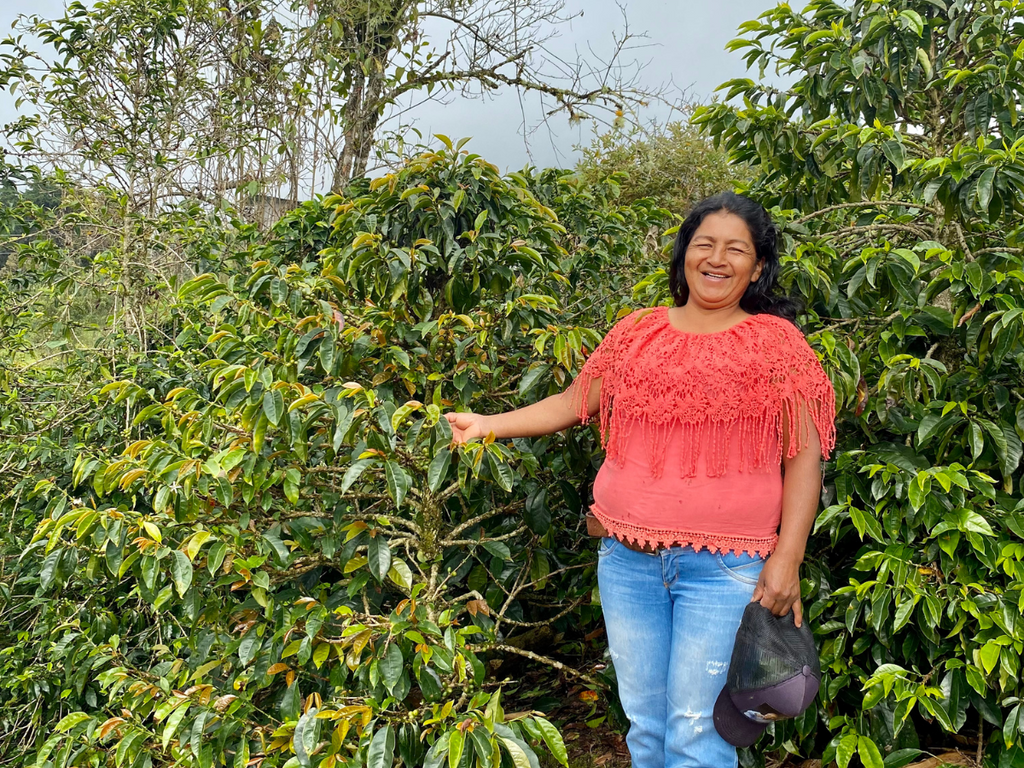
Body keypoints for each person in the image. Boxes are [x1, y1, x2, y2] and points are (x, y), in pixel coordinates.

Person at [445, 191, 836, 768]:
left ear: (756, 266)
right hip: (627, 563)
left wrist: (788, 558)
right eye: (705, 244)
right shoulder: (636, 333)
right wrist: (489, 426)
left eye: (736, 249)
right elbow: (578, 400)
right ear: (683, 255)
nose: (717, 258)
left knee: (696, 734)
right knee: (647, 729)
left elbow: (805, 455)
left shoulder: (777, 345)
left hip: (725, 569)